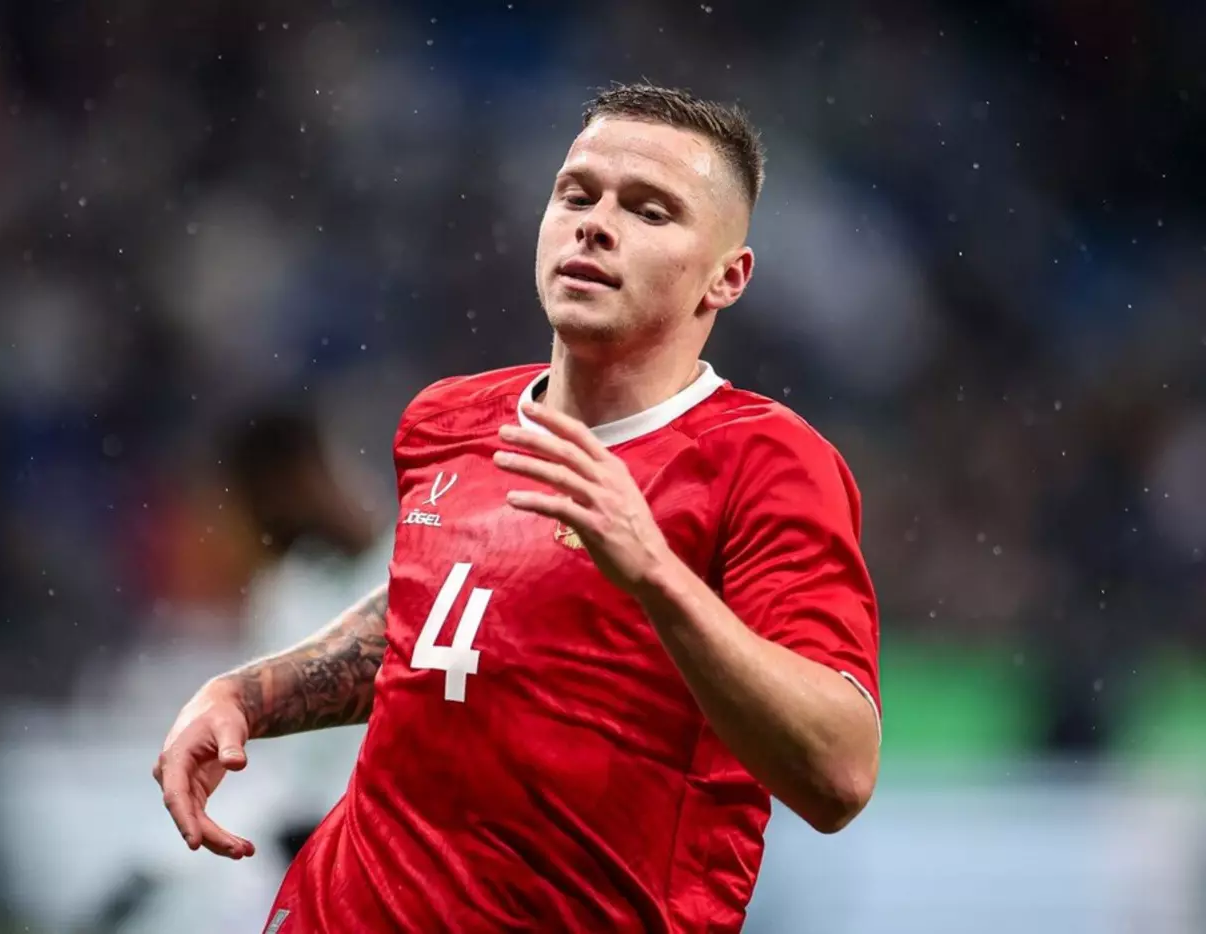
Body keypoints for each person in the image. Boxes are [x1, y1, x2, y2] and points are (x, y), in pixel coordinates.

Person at [153, 83, 882, 933]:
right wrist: (246, 696)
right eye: (577, 195)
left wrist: (655, 575)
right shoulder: (446, 421)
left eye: (649, 210)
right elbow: (437, 614)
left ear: (727, 277)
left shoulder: (767, 462)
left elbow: (839, 773)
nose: (595, 224)